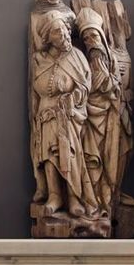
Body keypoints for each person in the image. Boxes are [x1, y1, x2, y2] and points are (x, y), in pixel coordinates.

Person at [29, 14, 97, 218]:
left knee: (69, 153)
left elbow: (85, 87)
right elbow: (36, 90)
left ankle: (74, 197)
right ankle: (55, 196)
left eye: (66, 30)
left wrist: (73, 96)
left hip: (68, 115)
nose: (65, 34)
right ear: (48, 37)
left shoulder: (77, 56)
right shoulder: (39, 59)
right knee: (49, 155)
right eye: (58, 31)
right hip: (46, 114)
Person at [76, 7, 121, 216]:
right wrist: (109, 84)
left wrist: (112, 84)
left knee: (110, 157)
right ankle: (96, 201)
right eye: (86, 38)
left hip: (110, 114)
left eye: (93, 36)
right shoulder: (90, 59)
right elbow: (97, 85)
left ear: (101, 36)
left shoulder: (110, 57)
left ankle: (107, 201)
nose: (90, 42)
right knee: (94, 159)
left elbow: (111, 84)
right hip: (93, 115)